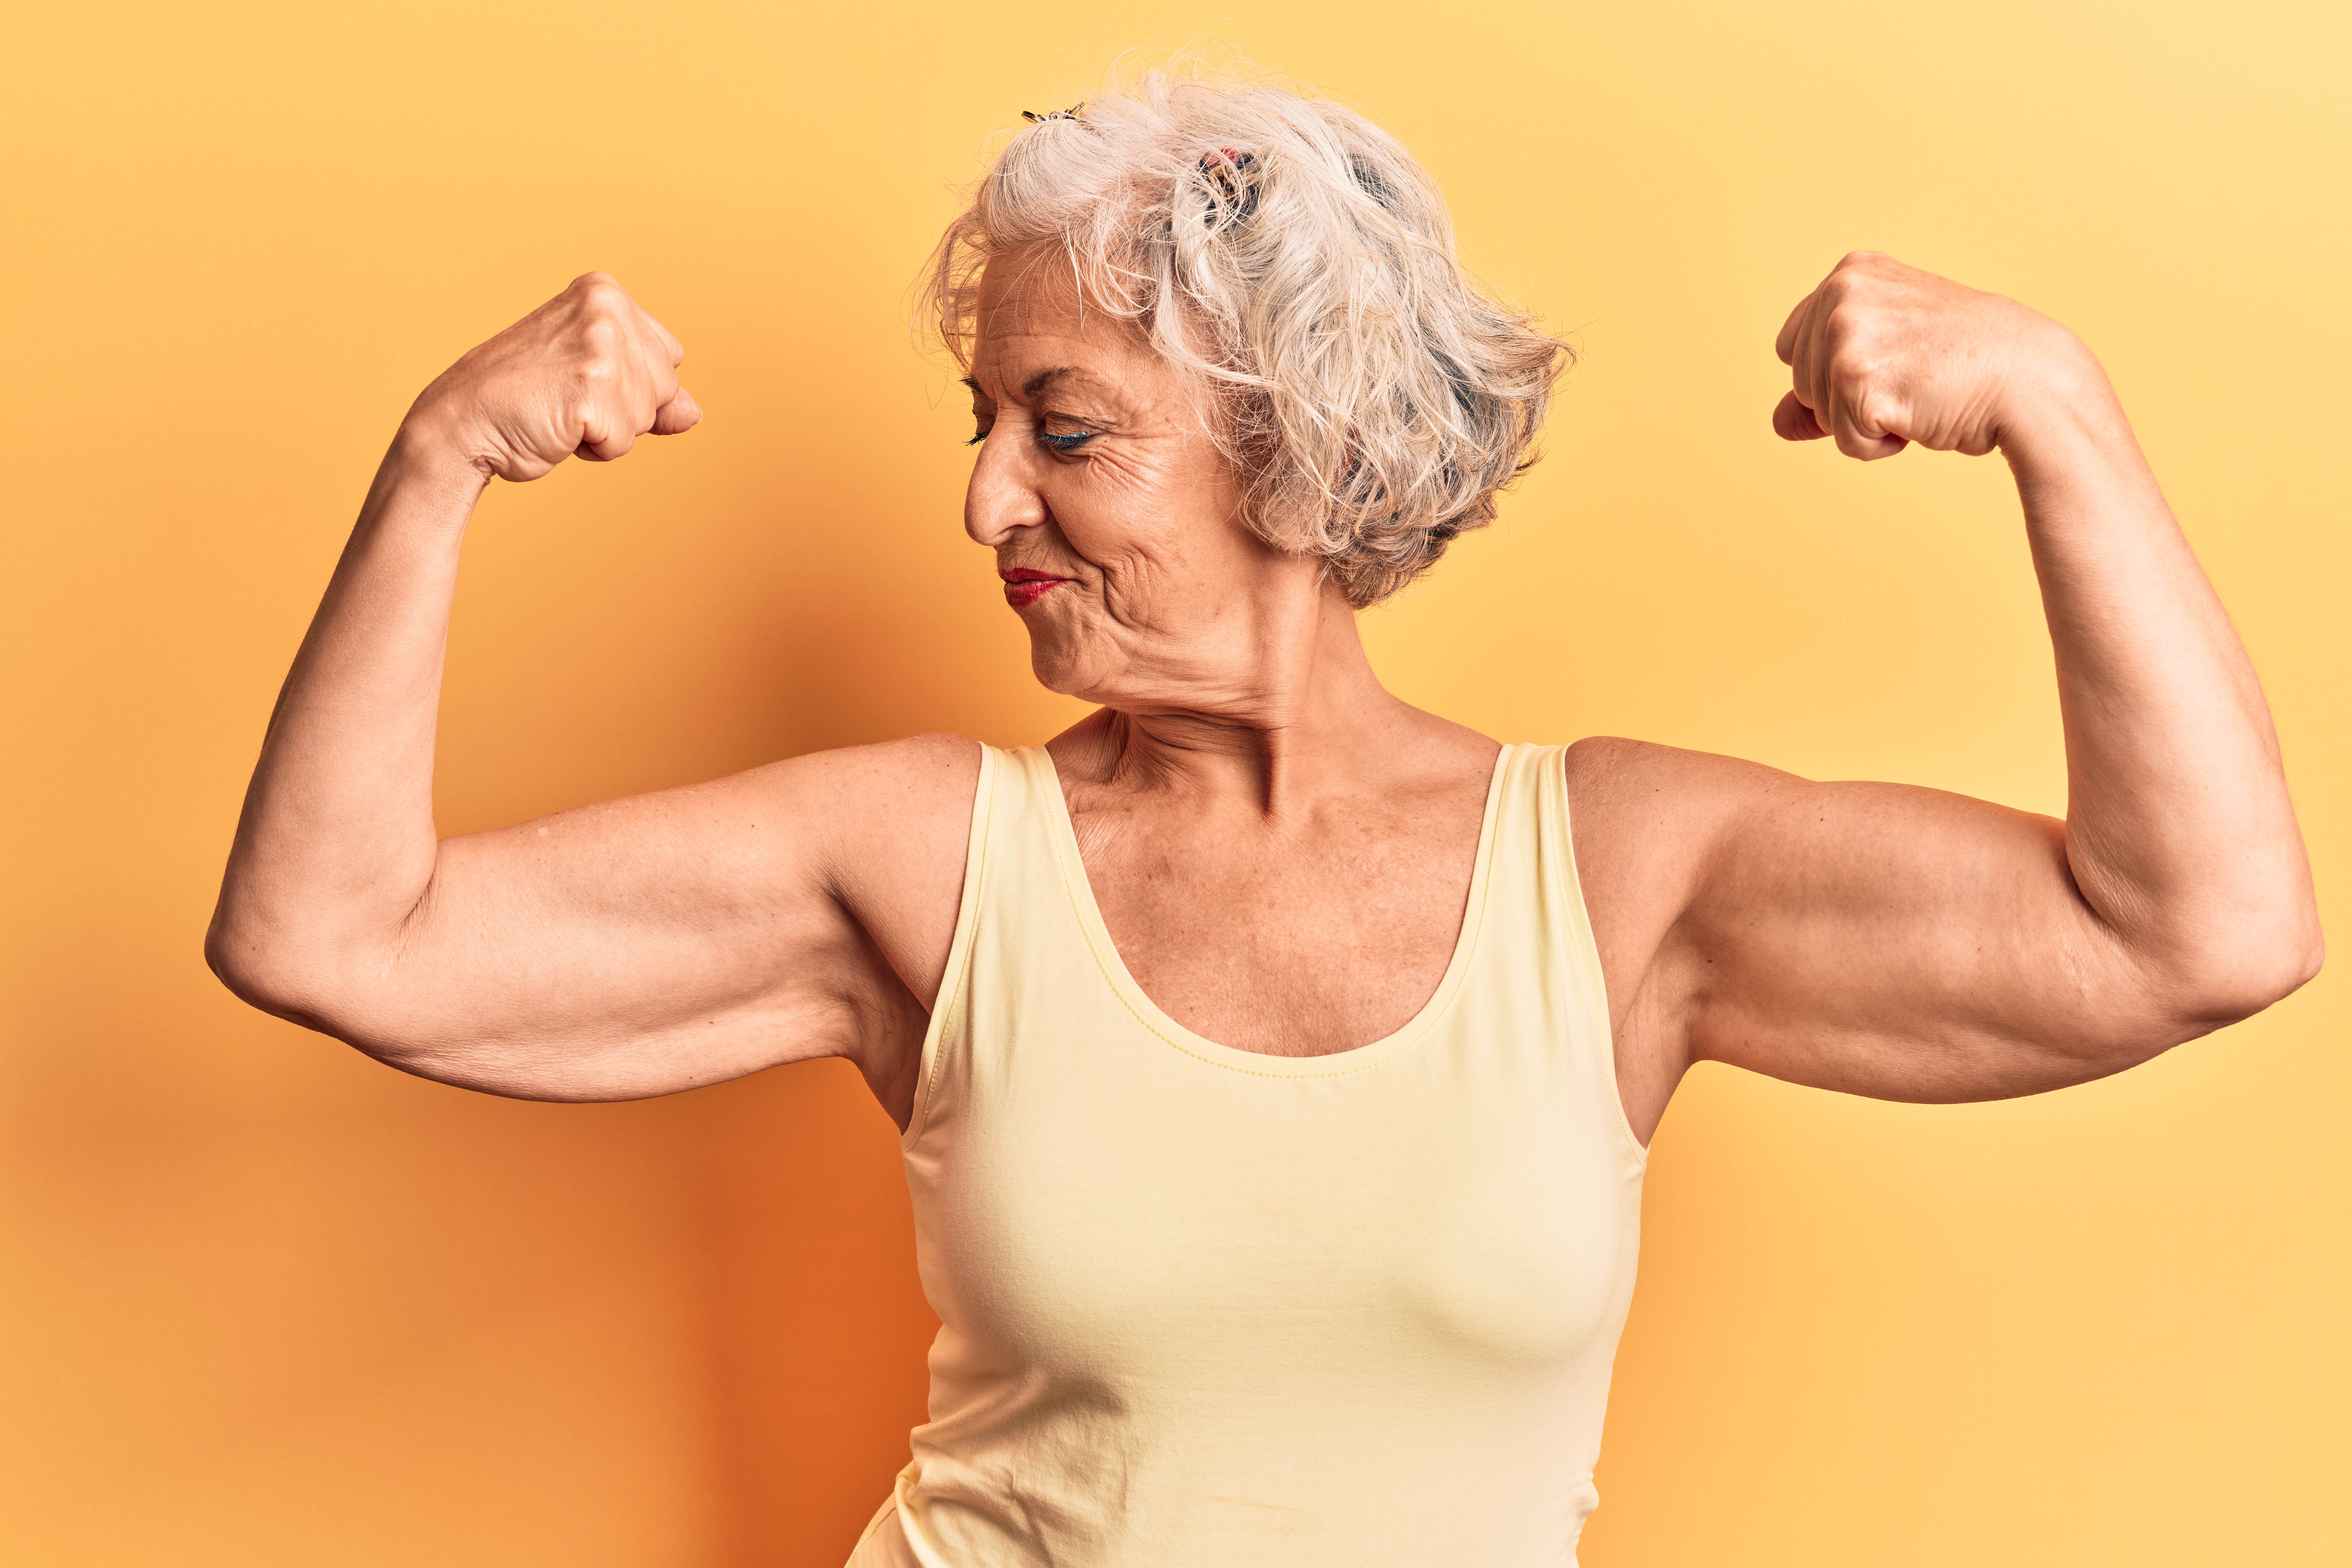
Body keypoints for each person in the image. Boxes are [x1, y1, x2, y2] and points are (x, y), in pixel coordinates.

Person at [206, 71, 2320, 1568]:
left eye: (1064, 432)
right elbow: (332, 936)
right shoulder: (933, 866)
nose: (982, 499)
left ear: (1292, 452)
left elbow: (2194, 932)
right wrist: (435, 461)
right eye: (983, 424)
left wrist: (2054, 407)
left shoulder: (1615, 883)